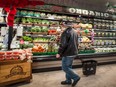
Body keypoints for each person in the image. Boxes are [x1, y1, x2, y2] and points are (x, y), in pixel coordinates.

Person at [56, 22, 80, 87]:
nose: (61, 26)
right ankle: (68, 81)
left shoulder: (65, 32)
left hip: (68, 53)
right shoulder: (75, 32)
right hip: (73, 52)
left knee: (65, 67)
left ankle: (76, 77)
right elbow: (77, 43)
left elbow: (63, 44)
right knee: (69, 67)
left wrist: (59, 53)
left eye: (62, 25)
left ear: (64, 25)